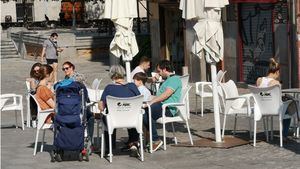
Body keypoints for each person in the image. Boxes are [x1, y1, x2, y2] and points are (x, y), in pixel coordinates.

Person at [98, 65, 141, 156]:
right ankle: (133, 144)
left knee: (107, 117)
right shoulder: (132, 86)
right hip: (131, 120)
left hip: (114, 120)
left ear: (112, 75)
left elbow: (101, 107)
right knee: (132, 112)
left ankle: (109, 149)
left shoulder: (109, 88)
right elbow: (139, 101)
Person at [143, 60, 182, 152]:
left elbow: (167, 94)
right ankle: (153, 139)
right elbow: (158, 96)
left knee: (146, 111)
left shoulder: (174, 79)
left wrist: (152, 102)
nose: (159, 74)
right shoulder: (168, 80)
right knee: (143, 113)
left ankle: (155, 140)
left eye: (159, 71)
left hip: (168, 108)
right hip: (161, 106)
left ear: (165, 69)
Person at [256, 58, 296, 140]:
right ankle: (284, 135)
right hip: (274, 109)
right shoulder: (276, 83)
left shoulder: (259, 80)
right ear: (277, 72)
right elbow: (278, 99)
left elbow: (262, 93)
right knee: (289, 110)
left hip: (262, 108)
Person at [26, 62, 42, 127]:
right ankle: (34, 119)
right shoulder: (33, 78)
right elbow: (33, 90)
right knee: (33, 98)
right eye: (35, 71)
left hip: (42, 94)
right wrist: (32, 81)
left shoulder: (44, 77)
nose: (36, 72)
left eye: (38, 70)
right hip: (34, 94)